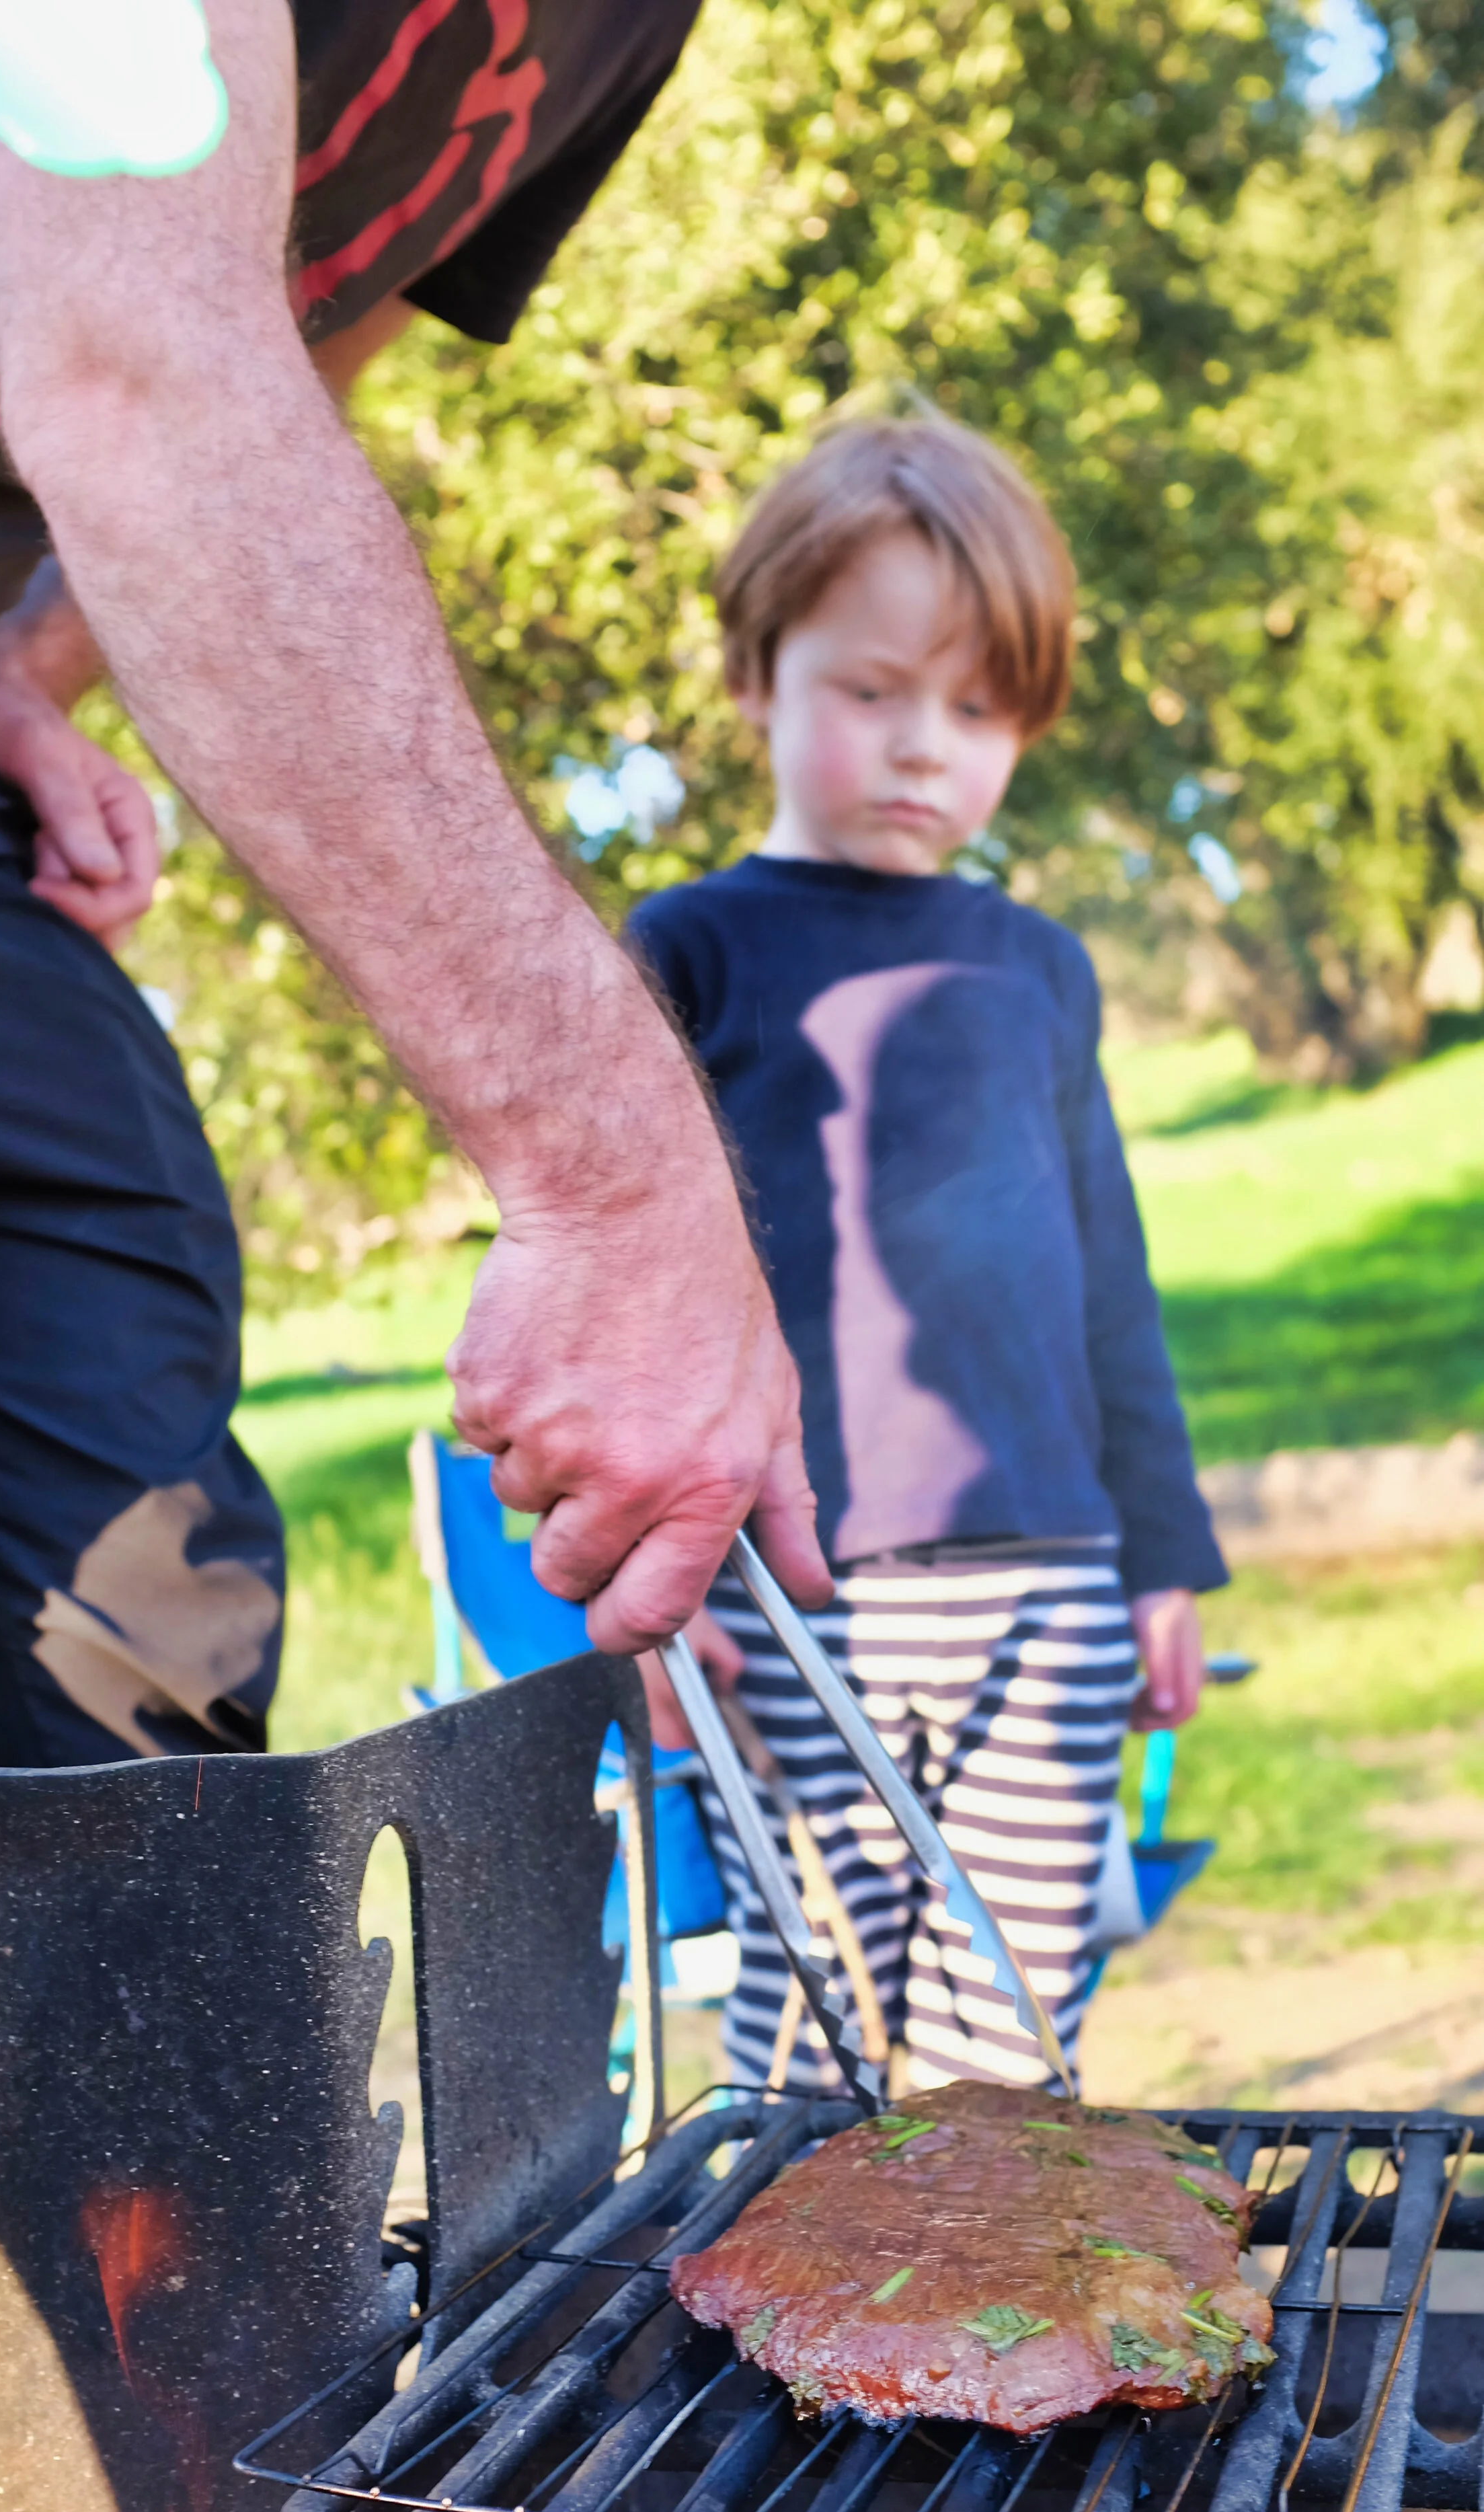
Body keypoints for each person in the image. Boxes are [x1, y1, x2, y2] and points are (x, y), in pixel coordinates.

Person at [0, 0, 828, 1794]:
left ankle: (156, 2076)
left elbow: (295, 323)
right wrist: (608, 1176)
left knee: (145, 1677)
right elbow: (146, 375)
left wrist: (27, 669)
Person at [628, 413, 1228, 2092]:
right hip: (801, 1588)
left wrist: (1161, 1557)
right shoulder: (685, 950)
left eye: (976, 710)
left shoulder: (1036, 966)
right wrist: (662, 1599)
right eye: (871, 690)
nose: (923, 750)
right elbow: (627, 1295)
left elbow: (1108, 1280)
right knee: (809, 2031)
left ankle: (1001, 2347)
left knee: (1006, 2046)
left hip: (1047, 1584)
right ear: (758, 672)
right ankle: (776, 2353)